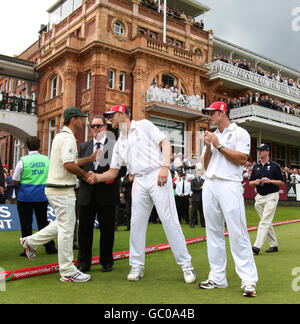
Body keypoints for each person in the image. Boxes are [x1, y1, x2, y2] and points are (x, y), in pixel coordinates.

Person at [87, 104, 196, 284]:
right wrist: (96, 177)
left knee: (169, 220)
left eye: (111, 115)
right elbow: (113, 172)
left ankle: (186, 265)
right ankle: (137, 265)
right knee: (136, 223)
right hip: (138, 179)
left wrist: (164, 167)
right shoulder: (117, 142)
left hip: (157, 174)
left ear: (122, 114)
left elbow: (166, 143)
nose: (109, 119)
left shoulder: (144, 125)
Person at [20, 106, 94, 283]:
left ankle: (30, 242)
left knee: (62, 225)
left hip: (56, 189)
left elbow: (70, 161)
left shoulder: (61, 136)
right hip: (62, 190)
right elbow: (68, 165)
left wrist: (90, 159)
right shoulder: (68, 138)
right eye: (81, 118)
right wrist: (85, 175)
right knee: (67, 230)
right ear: (74, 119)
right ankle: (67, 271)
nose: (83, 121)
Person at [199, 101, 258, 298]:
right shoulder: (212, 136)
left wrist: (218, 144)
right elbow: (206, 165)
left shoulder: (239, 132)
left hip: (230, 184)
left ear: (222, 112)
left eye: (212, 113)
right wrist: (209, 147)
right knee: (213, 232)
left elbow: (242, 159)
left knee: (237, 231)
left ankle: (248, 280)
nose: (210, 117)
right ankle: (217, 277)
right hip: (211, 183)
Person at [77, 115, 126, 273]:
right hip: (86, 194)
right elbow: (77, 168)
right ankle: (84, 262)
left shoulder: (115, 146)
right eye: (93, 126)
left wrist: (101, 177)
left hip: (107, 193)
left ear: (106, 127)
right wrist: (87, 176)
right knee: (84, 230)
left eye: (99, 125)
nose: (96, 128)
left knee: (107, 230)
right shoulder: (84, 147)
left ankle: (106, 261)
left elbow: (122, 169)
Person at [13, 136, 57, 257]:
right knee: (43, 222)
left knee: (26, 224)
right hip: (41, 196)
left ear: (27, 146)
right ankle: (50, 247)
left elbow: (15, 179)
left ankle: (28, 248)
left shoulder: (23, 160)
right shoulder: (46, 160)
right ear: (39, 146)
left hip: (25, 197)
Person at [249, 143, 284, 255]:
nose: (260, 152)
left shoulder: (275, 166)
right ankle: (274, 245)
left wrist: (270, 181)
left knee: (264, 221)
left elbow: (282, 182)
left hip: (272, 196)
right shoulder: (256, 167)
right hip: (259, 198)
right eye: (259, 150)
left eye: (262, 150)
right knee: (266, 222)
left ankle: (256, 246)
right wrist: (255, 182)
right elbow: (250, 183)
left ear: (268, 152)